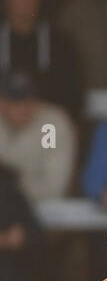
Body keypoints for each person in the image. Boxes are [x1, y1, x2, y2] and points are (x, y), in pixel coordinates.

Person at [0, 0, 83, 126]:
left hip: (45, 125)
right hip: (3, 124)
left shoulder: (60, 44)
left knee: (54, 131)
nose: (26, 0)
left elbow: (72, 97)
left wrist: (33, 108)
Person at [0, 71, 76, 200]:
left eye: (27, 100)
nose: (22, 107)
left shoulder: (51, 126)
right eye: (14, 101)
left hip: (43, 209)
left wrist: (12, 190)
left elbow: (54, 187)